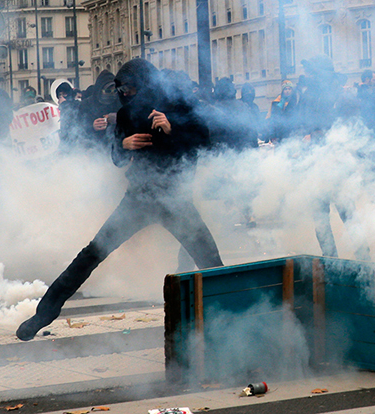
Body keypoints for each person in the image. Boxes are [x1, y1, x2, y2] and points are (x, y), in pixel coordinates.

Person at [16, 58, 223, 341]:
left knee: (210, 260)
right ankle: (44, 313)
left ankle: (235, 315)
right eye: (121, 88)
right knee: (92, 253)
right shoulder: (126, 115)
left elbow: (204, 140)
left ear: (145, 85)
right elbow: (116, 157)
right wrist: (123, 145)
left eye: (130, 88)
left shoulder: (177, 106)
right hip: (138, 198)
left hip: (175, 199)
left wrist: (173, 127)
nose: (125, 94)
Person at [298, 55, 370, 261]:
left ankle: (331, 259)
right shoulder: (341, 95)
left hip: (325, 162)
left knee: (323, 215)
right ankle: (362, 255)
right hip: (335, 161)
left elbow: (300, 125)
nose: (307, 75)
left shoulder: (315, 96)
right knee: (346, 212)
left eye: (310, 72)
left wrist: (312, 136)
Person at [75, 70, 121, 150]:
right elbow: (78, 128)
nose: (112, 94)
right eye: (108, 91)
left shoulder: (120, 102)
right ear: (100, 90)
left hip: (116, 149)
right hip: (94, 149)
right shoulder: (87, 104)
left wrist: (119, 118)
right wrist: (92, 126)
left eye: (114, 91)